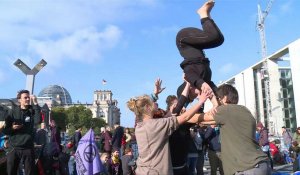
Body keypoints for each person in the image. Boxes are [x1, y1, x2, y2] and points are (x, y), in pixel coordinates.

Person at [126, 79, 209, 175]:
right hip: (156, 171)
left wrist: (155, 95)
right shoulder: (157, 125)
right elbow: (185, 117)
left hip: (143, 170)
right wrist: (200, 102)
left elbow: (141, 109)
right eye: (153, 103)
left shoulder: (140, 125)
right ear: (148, 108)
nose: (155, 104)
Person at [198, 84, 271, 175]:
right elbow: (207, 121)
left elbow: (197, 118)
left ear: (224, 98)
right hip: (259, 164)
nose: (217, 102)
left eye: (218, 99)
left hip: (248, 169)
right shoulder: (244, 110)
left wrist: (200, 103)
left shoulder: (226, 110)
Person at [176, 0, 224, 100]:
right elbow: (213, 92)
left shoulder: (190, 76)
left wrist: (212, 103)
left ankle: (203, 13)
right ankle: (207, 15)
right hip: (194, 46)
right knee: (219, 39)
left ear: (189, 90)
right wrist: (220, 102)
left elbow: (205, 88)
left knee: (214, 37)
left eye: (193, 97)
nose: (198, 97)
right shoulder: (205, 80)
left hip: (183, 40)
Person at [3, 90, 41, 175]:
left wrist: (35, 103)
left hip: (28, 148)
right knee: (11, 172)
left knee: (30, 172)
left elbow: (38, 121)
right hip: (14, 148)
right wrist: (12, 128)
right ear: (19, 100)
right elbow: (5, 130)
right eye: (25, 98)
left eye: (28, 97)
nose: (27, 99)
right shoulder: (13, 111)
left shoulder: (32, 110)